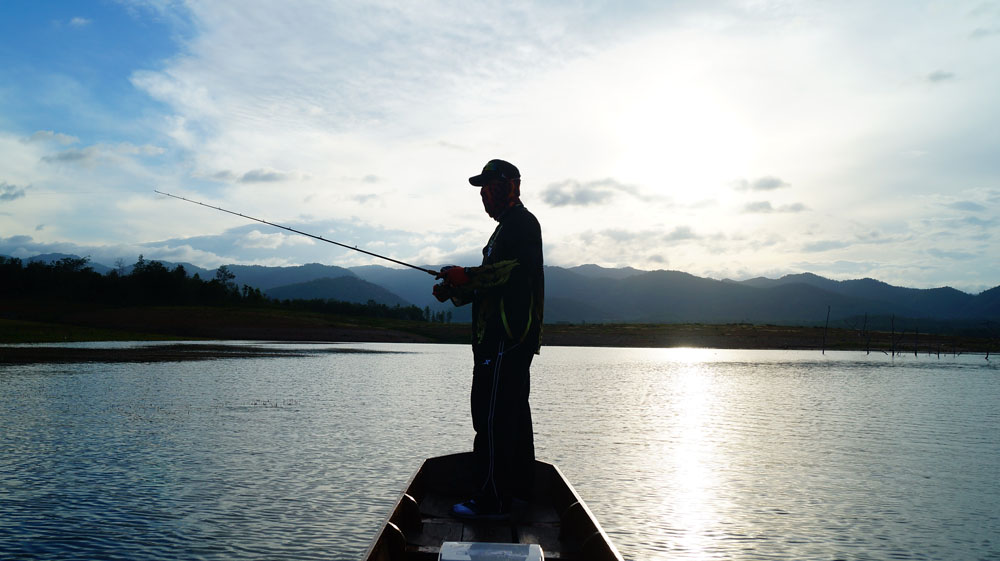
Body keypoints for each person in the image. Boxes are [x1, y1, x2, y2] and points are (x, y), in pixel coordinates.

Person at [433, 159, 544, 520]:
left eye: (490, 185)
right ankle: (521, 493)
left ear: (511, 185)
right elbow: (489, 284)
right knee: (513, 417)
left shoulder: (522, 224)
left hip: (506, 339)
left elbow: (507, 274)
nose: (484, 193)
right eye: (482, 187)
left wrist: (463, 275)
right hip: (499, 341)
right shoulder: (504, 230)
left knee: (492, 419)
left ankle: (492, 500)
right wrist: (454, 289)